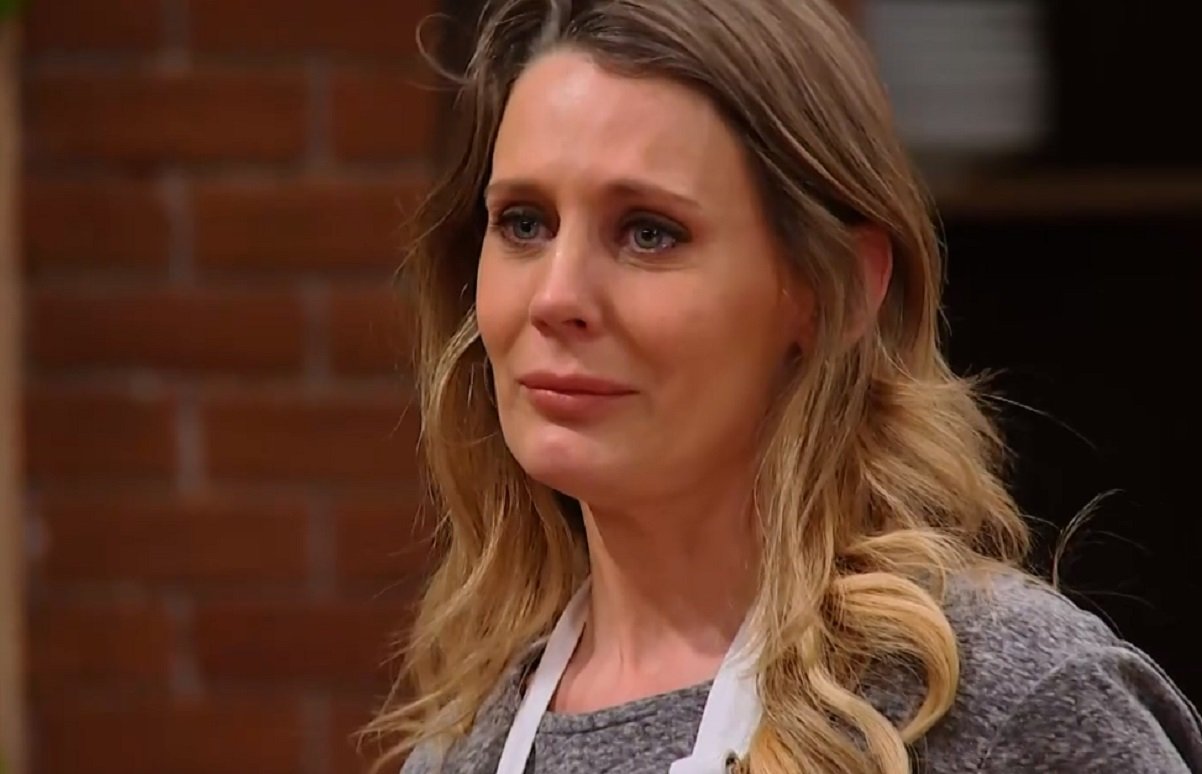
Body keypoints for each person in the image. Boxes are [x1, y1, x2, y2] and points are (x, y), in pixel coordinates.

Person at [361, 0, 1202, 771]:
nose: (555, 297)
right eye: (524, 223)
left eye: (649, 232)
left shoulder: (1007, 704)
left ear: (834, 291)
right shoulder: (463, 742)